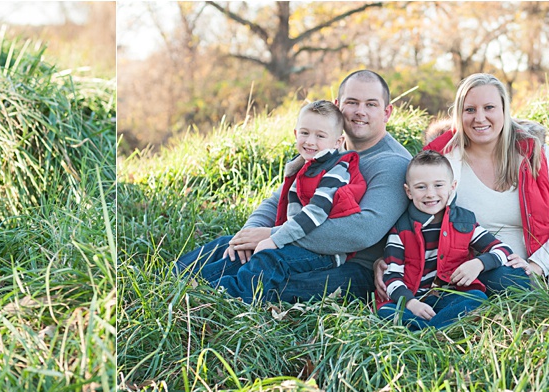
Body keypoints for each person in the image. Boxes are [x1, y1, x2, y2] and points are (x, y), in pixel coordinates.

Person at [176, 70, 412, 303]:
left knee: (274, 284)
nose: (360, 111)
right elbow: (279, 198)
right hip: (296, 247)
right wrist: (249, 234)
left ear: (387, 112)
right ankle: (166, 284)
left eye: (371, 104)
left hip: (354, 267)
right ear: (338, 106)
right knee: (226, 247)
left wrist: (273, 235)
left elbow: (362, 231)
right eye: (352, 102)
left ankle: (204, 297)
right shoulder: (324, 147)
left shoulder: (393, 163)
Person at [402, 73, 549, 298]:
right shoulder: (443, 162)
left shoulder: (536, 155)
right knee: (500, 277)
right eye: (470, 110)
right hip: (484, 268)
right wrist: (386, 262)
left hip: (541, 266)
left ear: (504, 111)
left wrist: (536, 267)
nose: (479, 118)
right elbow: (416, 223)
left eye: (489, 107)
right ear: (459, 114)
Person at [176, 100, 365, 302]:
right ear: (295, 133)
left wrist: (274, 239)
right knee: (230, 245)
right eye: (304, 133)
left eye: (320, 136)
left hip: (324, 253)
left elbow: (314, 214)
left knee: (268, 260)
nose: (310, 141)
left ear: (338, 142)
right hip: (295, 240)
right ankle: (176, 276)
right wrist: (250, 236)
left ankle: (222, 295)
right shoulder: (306, 165)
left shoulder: (336, 170)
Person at [376, 151, 526, 330]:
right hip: (413, 299)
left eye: (438, 185)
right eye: (421, 187)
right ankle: (439, 329)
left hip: (448, 296)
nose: (430, 194)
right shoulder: (401, 229)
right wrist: (411, 303)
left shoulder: (463, 221)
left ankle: (426, 331)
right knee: (386, 311)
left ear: (452, 187)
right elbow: (392, 277)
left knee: (478, 298)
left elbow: (502, 249)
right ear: (408, 191)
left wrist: (478, 263)